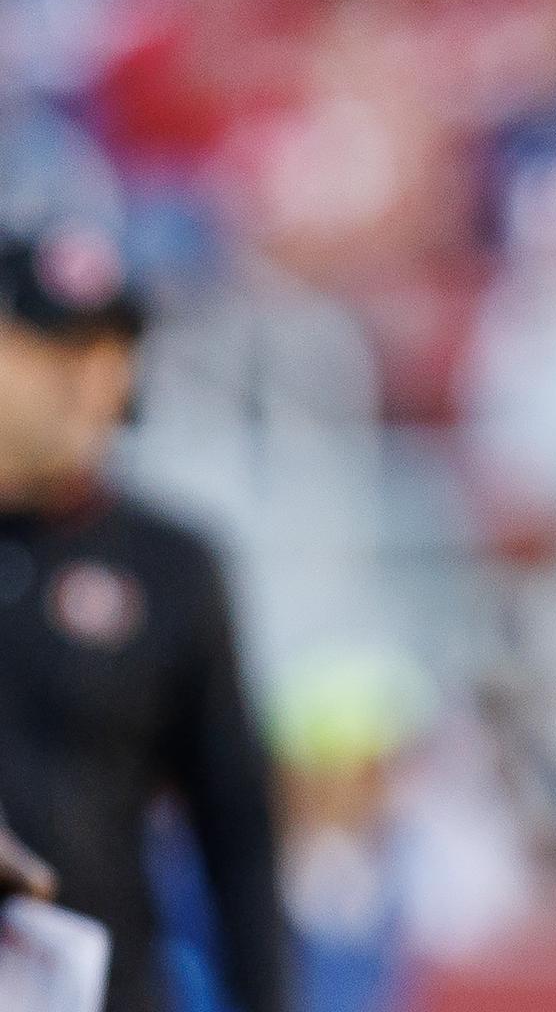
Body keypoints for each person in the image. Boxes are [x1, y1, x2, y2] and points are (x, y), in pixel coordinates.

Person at [0, 227, 289, 1012]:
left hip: (106, 988)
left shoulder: (170, 565)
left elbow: (237, 832)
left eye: (112, 349)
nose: (94, 380)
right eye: (61, 346)